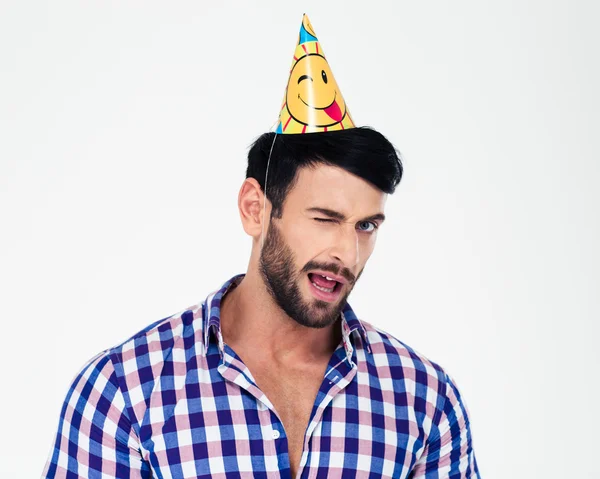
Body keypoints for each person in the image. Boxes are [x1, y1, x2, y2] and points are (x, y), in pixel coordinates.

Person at [42, 14, 480, 479]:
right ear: (255, 209)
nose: (347, 254)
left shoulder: (424, 399)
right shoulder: (126, 392)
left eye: (365, 226)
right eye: (325, 219)